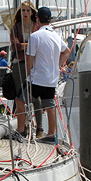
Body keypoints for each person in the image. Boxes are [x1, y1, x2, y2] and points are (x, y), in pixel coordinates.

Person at [15, 7, 70, 138]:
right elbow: (66, 51)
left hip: (37, 78)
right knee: (50, 104)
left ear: (37, 19)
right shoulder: (56, 36)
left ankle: (21, 130)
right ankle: (51, 134)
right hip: (51, 79)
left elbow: (29, 58)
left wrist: (28, 73)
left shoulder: (35, 36)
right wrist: (57, 66)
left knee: (20, 100)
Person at [10, 1, 43, 136]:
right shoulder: (15, 28)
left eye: (28, 10)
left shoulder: (37, 27)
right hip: (19, 64)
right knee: (20, 96)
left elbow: (40, 44)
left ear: (32, 13)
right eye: (23, 10)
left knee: (36, 96)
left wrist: (25, 45)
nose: (25, 13)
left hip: (35, 64)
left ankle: (39, 128)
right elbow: (15, 46)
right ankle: (22, 127)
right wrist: (30, 45)